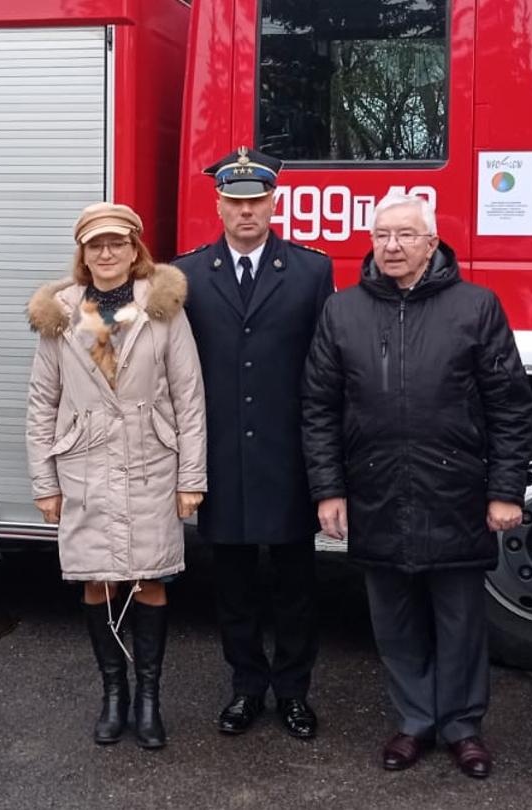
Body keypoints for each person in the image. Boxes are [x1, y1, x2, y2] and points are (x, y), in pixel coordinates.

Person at [301, 194, 532, 779]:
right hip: (375, 491)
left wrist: (506, 490)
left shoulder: (476, 307)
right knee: (394, 618)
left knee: (459, 617)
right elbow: (319, 408)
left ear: (433, 243)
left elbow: (509, 406)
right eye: (382, 235)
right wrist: (329, 490)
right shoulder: (342, 311)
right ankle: (414, 721)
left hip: (456, 491)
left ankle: (460, 727)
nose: (393, 246)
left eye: (406, 235)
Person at [24, 202, 206, 751]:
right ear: (83, 254)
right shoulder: (61, 314)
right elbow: (41, 403)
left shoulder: (163, 308)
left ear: (135, 250)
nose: (107, 253)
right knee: (98, 579)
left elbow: (189, 396)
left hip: (153, 460)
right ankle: (113, 696)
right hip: (84, 464)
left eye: (117, 243)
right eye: (95, 245)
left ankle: (149, 700)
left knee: (149, 578)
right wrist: (44, 483)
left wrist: (190, 477)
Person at [173, 146, 333, 739]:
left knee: (296, 589)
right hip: (220, 457)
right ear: (218, 205)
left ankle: (293, 691)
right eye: (235, 202)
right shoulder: (185, 274)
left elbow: (323, 371)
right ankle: (246, 687)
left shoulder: (312, 271)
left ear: (274, 202)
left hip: (288, 458)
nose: (247, 212)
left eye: (257, 201)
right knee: (232, 588)